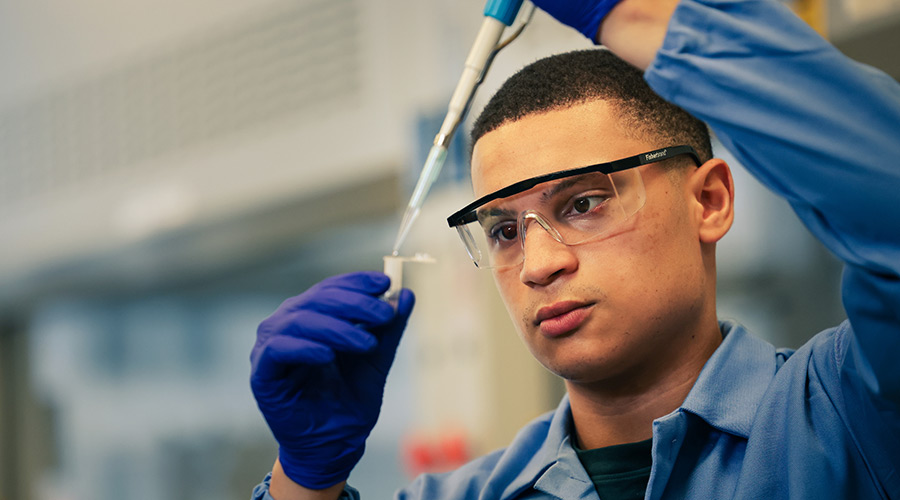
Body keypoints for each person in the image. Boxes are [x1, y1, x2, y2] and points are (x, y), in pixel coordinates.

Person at [250, 0, 900, 497]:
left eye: (584, 204)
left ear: (709, 202)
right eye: (505, 230)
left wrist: (646, 17)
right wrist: (304, 483)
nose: (539, 265)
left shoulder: (851, 417)